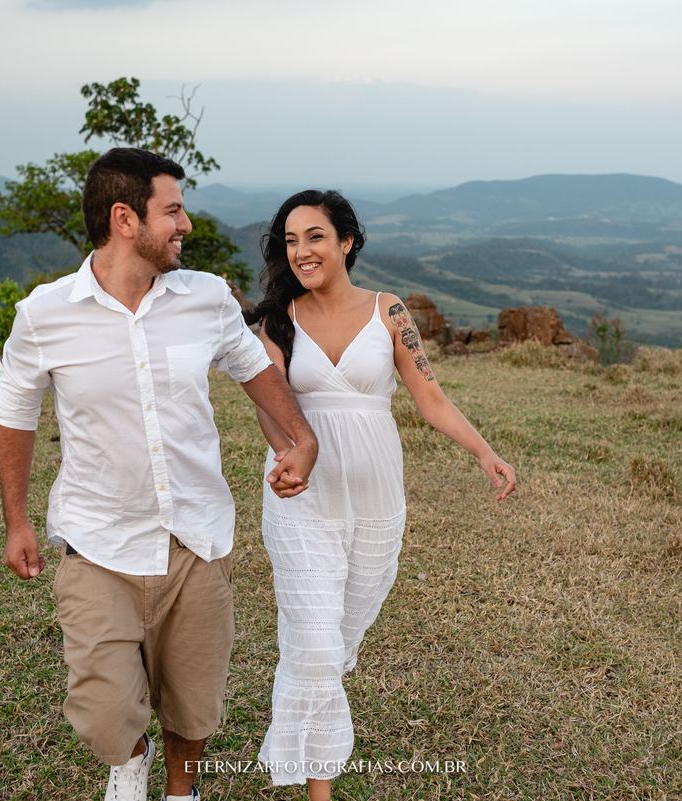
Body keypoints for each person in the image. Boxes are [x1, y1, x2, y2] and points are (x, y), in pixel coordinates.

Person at [0, 148, 318, 801]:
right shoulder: (44, 314)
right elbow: (14, 411)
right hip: (98, 545)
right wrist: (17, 520)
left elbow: (253, 367)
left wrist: (301, 439)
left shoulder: (206, 298)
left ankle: (180, 792)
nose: (185, 224)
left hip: (196, 539)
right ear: (124, 219)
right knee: (104, 709)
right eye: (172, 210)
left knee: (193, 706)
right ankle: (130, 759)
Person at [245, 190, 517, 799]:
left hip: (374, 501)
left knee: (337, 643)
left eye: (315, 236)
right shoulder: (278, 318)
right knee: (316, 648)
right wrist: (290, 453)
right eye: (290, 241)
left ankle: (314, 746)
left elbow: (431, 397)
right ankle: (319, 791)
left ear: (346, 242)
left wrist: (483, 451)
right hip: (301, 499)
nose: (301, 251)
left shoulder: (388, 310)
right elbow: (268, 402)